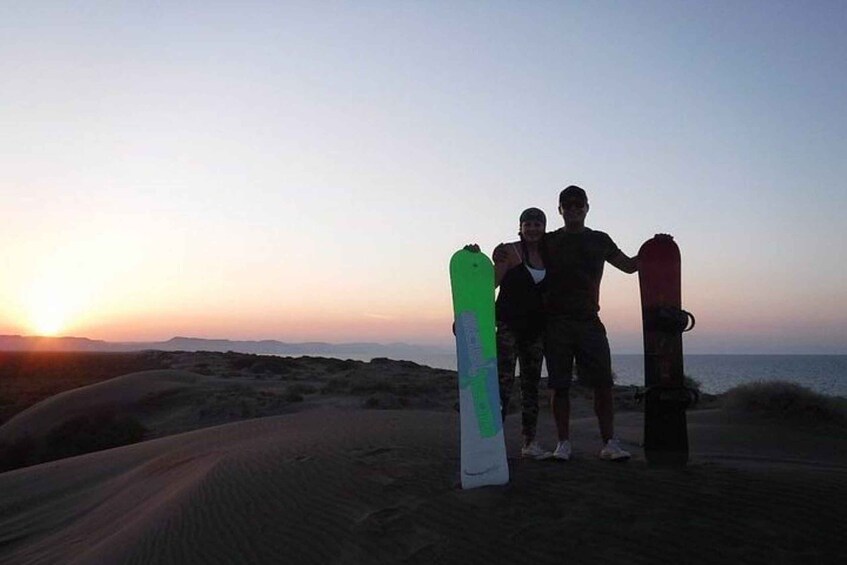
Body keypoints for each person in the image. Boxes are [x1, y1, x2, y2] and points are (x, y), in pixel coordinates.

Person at [542, 185, 638, 461]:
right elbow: (518, 253)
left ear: (587, 207)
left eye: (578, 204)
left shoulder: (600, 240)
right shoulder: (548, 241)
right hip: (556, 323)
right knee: (559, 386)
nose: (573, 209)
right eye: (567, 205)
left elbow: (630, 266)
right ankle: (563, 444)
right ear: (559, 209)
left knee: (603, 384)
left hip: (589, 322)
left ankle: (609, 443)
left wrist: (656, 247)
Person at [491, 207, 553, 460]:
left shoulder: (550, 255)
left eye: (538, 223)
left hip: (535, 331)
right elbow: (488, 284)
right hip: (508, 327)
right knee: (502, 385)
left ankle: (529, 442)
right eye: (528, 223)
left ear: (544, 227)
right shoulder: (509, 251)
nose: (533, 228)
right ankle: (492, 442)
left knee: (531, 387)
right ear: (521, 226)